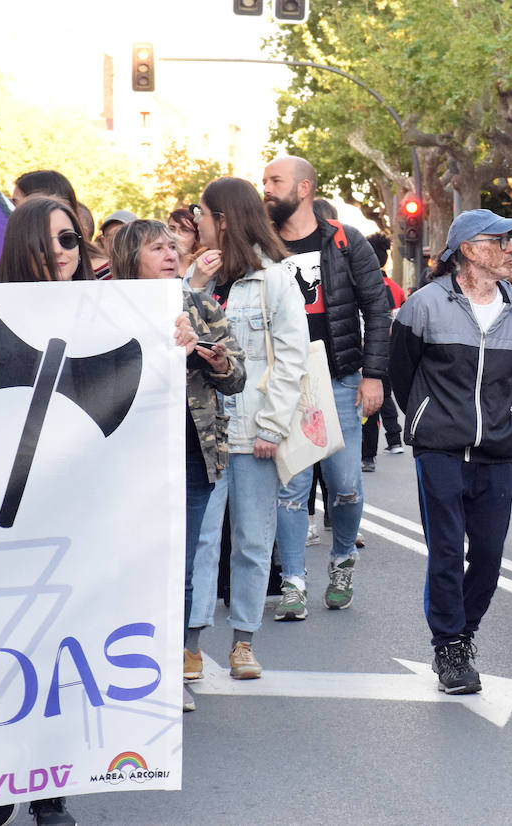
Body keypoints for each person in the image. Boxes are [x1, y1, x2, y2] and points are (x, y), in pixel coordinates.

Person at [0, 199, 196, 826]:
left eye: (72, 237)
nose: (64, 248)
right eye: (51, 239)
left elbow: (153, 388)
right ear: (24, 244)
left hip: (75, 516)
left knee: (55, 648)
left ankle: (50, 792)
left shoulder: (116, 314)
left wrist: (176, 341)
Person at [388, 209, 512, 693]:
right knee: (446, 551)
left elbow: (510, 377)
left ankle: (463, 632)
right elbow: (401, 371)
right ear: (469, 250)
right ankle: (448, 645)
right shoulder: (424, 305)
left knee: (489, 555)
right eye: (501, 241)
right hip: (440, 450)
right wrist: (428, 416)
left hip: (495, 451)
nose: (511, 249)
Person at [110, 220, 244, 714]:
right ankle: (118, 667)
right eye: (156, 247)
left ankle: (168, 673)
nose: (170, 254)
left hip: (192, 457)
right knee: (126, 567)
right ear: (130, 257)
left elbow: (236, 377)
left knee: (180, 569)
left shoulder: (201, 306)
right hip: (125, 461)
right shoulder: (104, 307)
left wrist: (210, 359)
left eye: (173, 246)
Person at [184, 177, 309, 681]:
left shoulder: (276, 278)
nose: (197, 222)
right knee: (201, 541)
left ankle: (243, 643)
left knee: (254, 540)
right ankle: (190, 644)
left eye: (203, 214)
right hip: (204, 433)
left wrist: (274, 426)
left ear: (224, 219)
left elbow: (292, 357)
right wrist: (191, 286)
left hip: (256, 430)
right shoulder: (198, 277)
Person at [261, 157, 391, 620]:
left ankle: (341, 563)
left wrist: (373, 375)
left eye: (275, 182)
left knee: (346, 486)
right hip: (284, 385)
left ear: (305, 188)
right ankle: (293, 581)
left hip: (339, 380)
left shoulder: (344, 240)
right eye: (265, 182)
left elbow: (378, 309)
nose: (267, 189)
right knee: (291, 488)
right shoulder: (261, 243)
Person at [359, 230, 407, 470]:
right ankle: (393, 439)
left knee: (370, 403)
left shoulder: (367, 285)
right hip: (388, 351)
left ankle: (368, 454)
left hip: (370, 350)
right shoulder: (396, 288)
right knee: (382, 398)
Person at [168, 207, 202, 276]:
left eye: (184, 230)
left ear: (196, 236)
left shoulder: (201, 266)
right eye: (172, 229)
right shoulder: (161, 264)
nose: (175, 234)